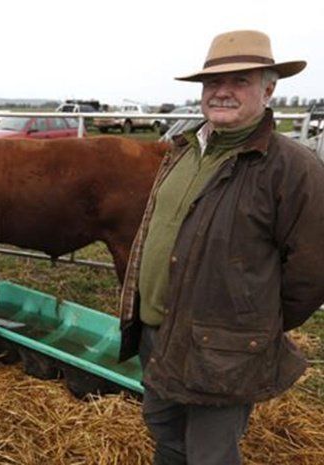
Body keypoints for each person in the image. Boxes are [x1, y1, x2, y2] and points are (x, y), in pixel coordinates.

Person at [118, 30, 324, 465]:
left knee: (210, 455)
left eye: (241, 81)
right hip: (157, 334)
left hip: (223, 350)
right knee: (167, 438)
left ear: (268, 90)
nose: (223, 92)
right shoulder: (185, 150)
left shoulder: (292, 168)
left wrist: (251, 327)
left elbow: (311, 270)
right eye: (213, 83)